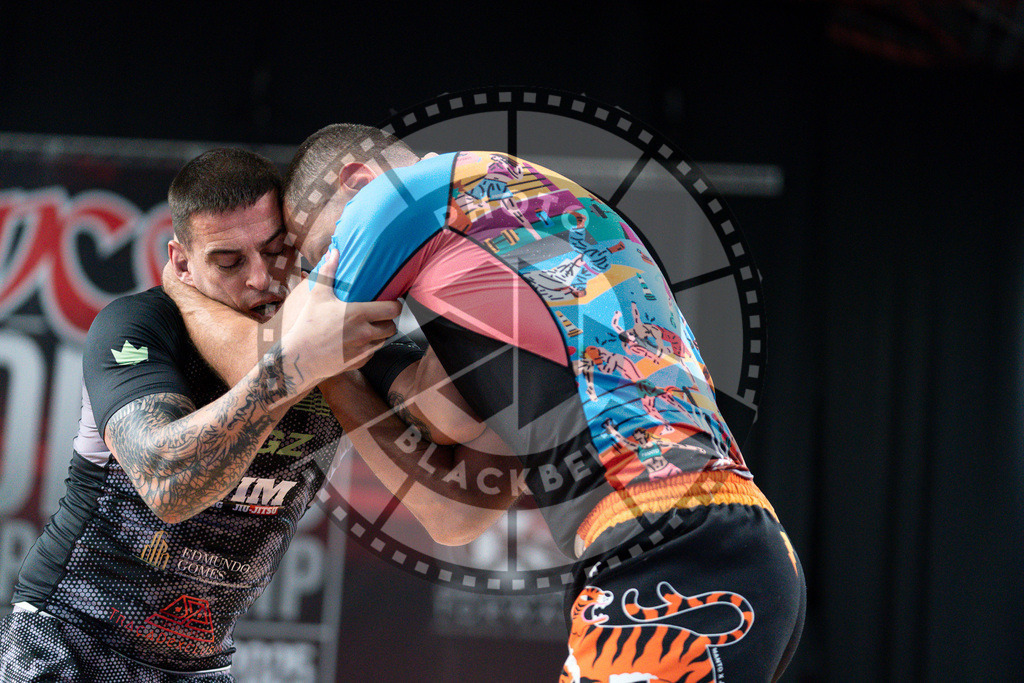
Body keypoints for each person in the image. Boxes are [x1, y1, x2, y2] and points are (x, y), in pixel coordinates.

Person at [187, 127, 807, 682]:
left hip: (667, 551)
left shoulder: (400, 196)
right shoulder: (517, 229)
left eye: (322, 248)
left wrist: (184, 292)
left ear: (354, 179)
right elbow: (451, 466)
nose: (328, 266)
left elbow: (274, 358)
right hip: (730, 543)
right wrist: (372, 379)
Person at [0, 148, 401, 682]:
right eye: (229, 262)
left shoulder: (348, 339)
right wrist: (296, 367)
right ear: (182, 263)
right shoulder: (139, 323)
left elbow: (459, 469)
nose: (260, 278)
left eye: (276, 251)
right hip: (72, 637)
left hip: (202, 664)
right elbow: (169, 485)